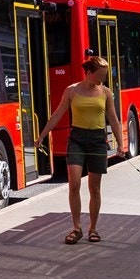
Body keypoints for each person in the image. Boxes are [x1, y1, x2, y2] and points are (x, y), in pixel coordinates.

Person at [37, 54, 126, 244]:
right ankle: (76, 228)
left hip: (97, 140)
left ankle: (93, 228)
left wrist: (121, 144)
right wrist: (42, 135)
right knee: (74, 184)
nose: (103, 79)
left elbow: (114, 119)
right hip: (77, 139)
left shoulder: (106, 93)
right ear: (89, 73)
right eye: (100, 75)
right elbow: (57, 114)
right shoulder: (72, 91)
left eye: (105, 75)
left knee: (94, 188)